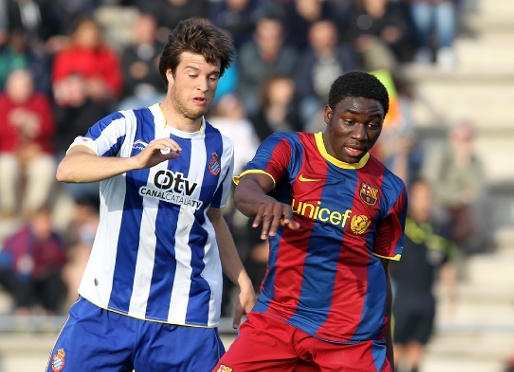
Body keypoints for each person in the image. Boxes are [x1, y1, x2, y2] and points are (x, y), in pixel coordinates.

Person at [46, 17, 255, 372]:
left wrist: (242, 279)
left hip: (184, 319)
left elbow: (215, 217)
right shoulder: (126, 126)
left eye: (212, 76)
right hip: (106, 309)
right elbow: (67, 169)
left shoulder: (222, 147)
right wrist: (134, 162)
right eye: (192, 73)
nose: (203, 85)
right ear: (169, 73)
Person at [214, 71, 408, 371]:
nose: (361, 134)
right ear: (328, 114)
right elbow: (245, 191)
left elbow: (382, 272)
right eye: (350, 121)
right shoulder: (290, 148)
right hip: (278, 318)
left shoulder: (390, 188)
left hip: (350, 337)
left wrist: (388, 356)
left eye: (373, 125)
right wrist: (266, 202)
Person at [390, 179, 457, 372]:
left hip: (426, 297)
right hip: (402, 296)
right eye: (419, 197)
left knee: (417, 350)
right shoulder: (402, 225)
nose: (424, 201)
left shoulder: (439, 229)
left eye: (427, 197)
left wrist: (451, 296)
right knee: (397, 349)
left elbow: (447, 263)